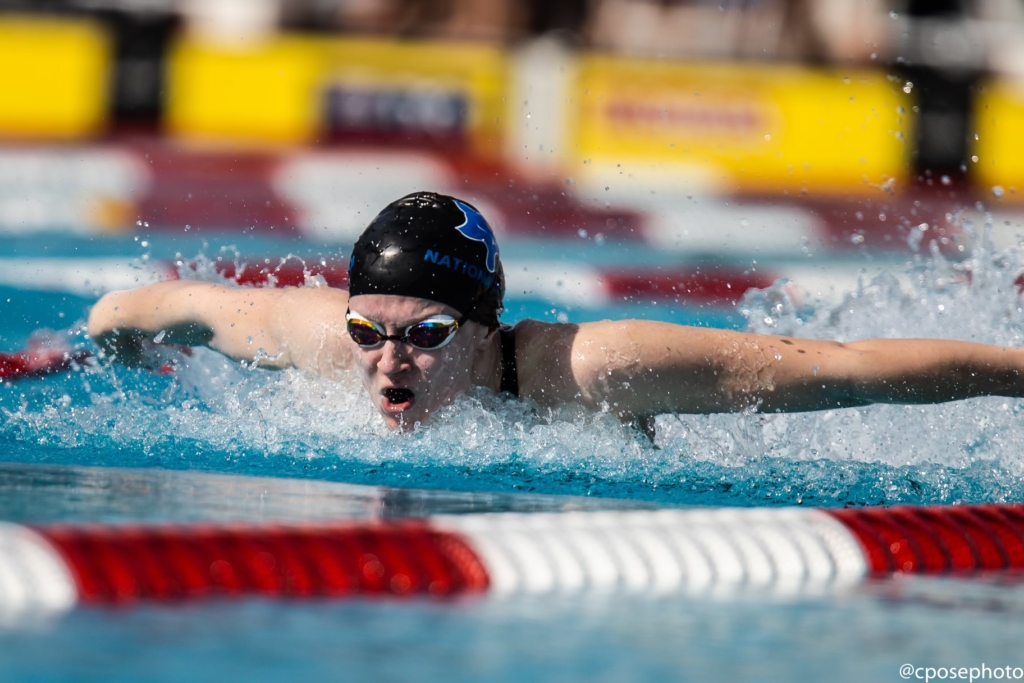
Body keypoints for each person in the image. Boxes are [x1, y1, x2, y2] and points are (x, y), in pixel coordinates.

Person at [89, 191, 1024, 435]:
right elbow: (148, 308)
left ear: (486, 326)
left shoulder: (592, 367)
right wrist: (120, 355)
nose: (389, 361)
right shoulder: (323, 343)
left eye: (427, 334)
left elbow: (845, 368)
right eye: (370, 330)